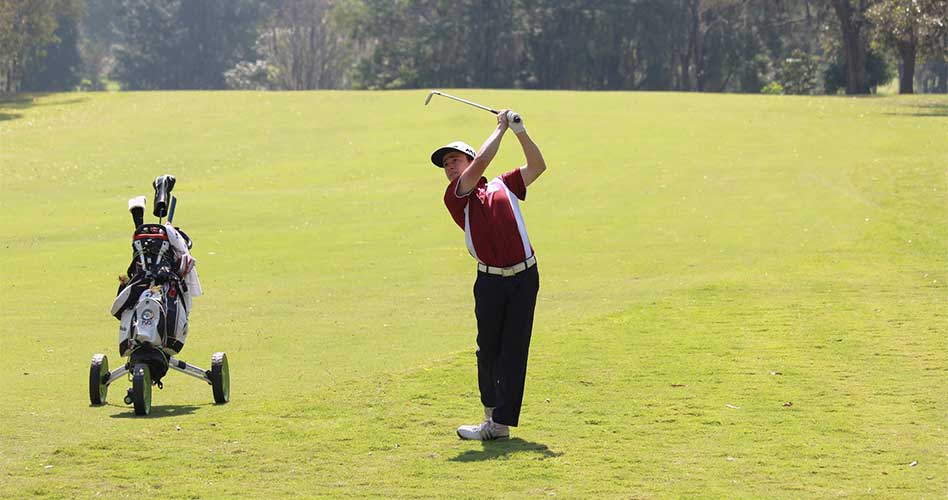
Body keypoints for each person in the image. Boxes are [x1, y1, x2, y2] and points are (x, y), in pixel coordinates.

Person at [430, 109, 547, 440]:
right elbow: (482, 162)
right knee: (488, 350)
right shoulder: (456, 196)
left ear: (468, 159)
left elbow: (538, 166)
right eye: (446, 164)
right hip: (490, 280)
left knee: (514, 350)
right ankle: (491, 418)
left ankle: (501, 426)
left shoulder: (504, 185)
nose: (450, 167)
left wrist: (520, 130)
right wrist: (501, 128)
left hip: (524, 276)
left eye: (455, 160)